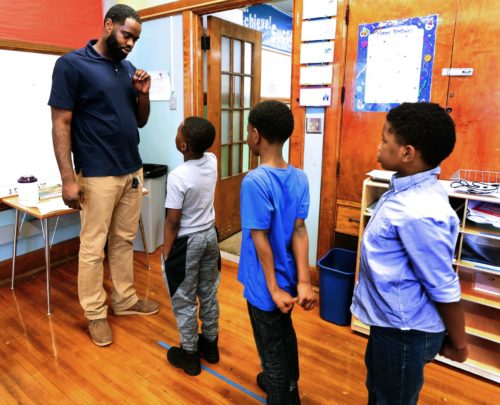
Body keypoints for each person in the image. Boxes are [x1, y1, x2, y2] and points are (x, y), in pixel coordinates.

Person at [48, 4, 159, 347]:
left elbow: (139, 120)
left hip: (132, 169)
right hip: (96, 174)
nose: (130, 44)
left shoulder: (127, 69)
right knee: (93, 247)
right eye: (127, 35)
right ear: (108, 25)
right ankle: (95, 313)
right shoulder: (71, 65)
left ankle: (124, 301)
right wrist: (68, 178)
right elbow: (60, 122)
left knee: (124, 241)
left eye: (135, 39)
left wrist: (143, 96)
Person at [350, 102, 469, 404]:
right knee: (379, 390)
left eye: (384, 139)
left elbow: (441, 283)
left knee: (393, 399)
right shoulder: (403, 189)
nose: (379, 146)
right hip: (388, 321)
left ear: (407, 153)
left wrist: (459, 341)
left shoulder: (420, 211)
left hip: (405, 331)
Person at [238, 100, 316, 404]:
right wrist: (303, 281)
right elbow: (299, 231)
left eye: (247, 132)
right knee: (284, 335)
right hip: (287, 280)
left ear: (255, 135)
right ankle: (287, 384)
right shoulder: (300, 177)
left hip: (265, 285)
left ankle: (282, 390)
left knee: (270, 348)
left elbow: (261, 241)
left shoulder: (255, 181)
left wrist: (271, 289)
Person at [162, 117, 220, 376]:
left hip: (187, 242)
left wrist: (166, 253)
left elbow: (173, 221)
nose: (176, 132)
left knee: (183, 298)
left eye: (178, 130)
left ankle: (189, 355)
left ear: (183, 145)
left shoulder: (177, 177)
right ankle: (210, 345)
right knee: (207, 291)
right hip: (210, 236)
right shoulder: (212, 161)